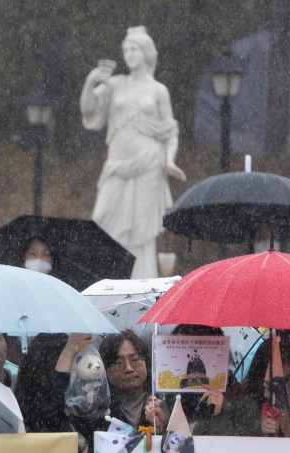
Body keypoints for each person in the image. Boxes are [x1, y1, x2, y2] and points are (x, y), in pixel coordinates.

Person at [80, 26, 185, 279]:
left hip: (149, 165)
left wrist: (169, 160)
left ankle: (141, 283)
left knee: (142, 232)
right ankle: (108, 278)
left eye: (134, 48)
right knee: (102, 219)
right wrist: (91, 81)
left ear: (147, 52)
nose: (129, 54)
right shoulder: (115, 85)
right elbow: (89, 110)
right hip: (118, 166)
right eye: (126, 49)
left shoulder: (158, 90)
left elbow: (170, 131)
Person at [99, 330, 154, 429]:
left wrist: (163, 424)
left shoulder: (162, 401)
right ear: (105, 369)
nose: (128, 368)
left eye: (135, 359)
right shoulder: (99, 409)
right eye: (118, 362)